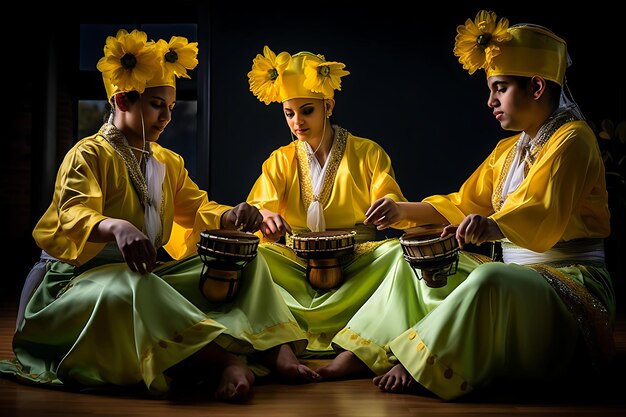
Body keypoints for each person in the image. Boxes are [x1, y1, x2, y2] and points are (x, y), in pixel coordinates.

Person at [0, 29, 319, 403]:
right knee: (139, 285)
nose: (167, 116)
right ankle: (226, 361)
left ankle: (276, 348)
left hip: (139, 276)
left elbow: (197, 208)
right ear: (122, 100)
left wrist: (231, 215)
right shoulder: (88, 154)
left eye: (170, 106)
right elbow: (72, 212)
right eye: (156, 105)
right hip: (74, 282)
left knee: (250, 259)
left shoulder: (167, 162)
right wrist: (117, 226)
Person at [317, 10, 616, 400]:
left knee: (489, 278)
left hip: (570, 281)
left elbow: (540, 211)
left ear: (537, 86)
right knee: (407, 259)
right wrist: (402, 210)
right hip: (522, 279)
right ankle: (367, 351)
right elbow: (464, 202)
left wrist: (493, 226)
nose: (490, 101)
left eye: (500, 88)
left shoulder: (573, 139)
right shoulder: (508, 150)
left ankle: (421, 359)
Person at [246, 46, 416, 355]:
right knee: (255, 256)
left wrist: (390, 206)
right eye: (289, 113)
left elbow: (388, 193)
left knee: (397, 254)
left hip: (358, 262)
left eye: (307, 110)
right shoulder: (280, 160)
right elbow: (261, 204)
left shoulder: (366, 152)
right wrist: (266, 216)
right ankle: (283, 342)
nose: (297, 121)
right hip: (299, 263)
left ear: (328, 106)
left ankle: (361, 344)